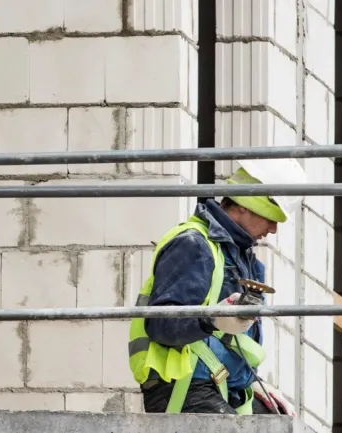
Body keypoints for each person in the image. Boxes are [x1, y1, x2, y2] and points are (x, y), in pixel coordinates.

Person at [128, 159, 306, 415]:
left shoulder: (242, 260)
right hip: (184, 386)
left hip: (221, 386)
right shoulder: (194, 245)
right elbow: (160, 324)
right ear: (248, 203)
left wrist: (253, 380)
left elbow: (229, 342)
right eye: (272, 217)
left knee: (278, 422)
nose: (274, 229)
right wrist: (211, 320)